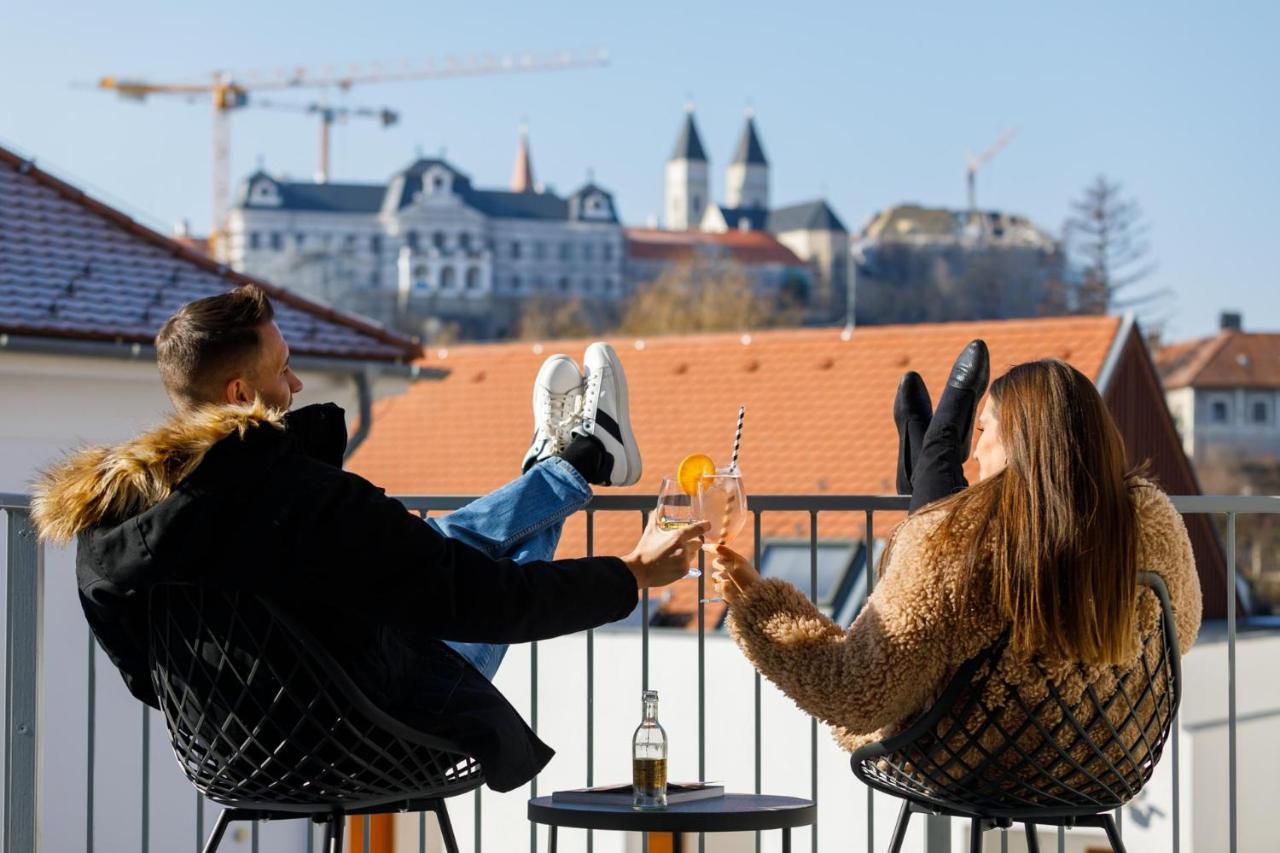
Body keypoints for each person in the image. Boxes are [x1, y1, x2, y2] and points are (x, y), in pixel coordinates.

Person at [32, 285, 707, 793]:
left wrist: (254, 675)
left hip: (227, 753)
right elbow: (491, 603)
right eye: (283, 370)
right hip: (368, 738)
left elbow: (147, 676)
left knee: (425, 545)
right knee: (447, 575)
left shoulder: (107, 527)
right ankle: (576, 463)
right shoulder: (310, 501)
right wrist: (633, 575)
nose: (295, 384)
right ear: (241, 392)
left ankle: (568, 462)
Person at [709, 346, 1201, 764]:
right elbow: (1187, 626)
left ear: (1020, 442)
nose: (977, 452)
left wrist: (756, 601)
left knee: (939, 528)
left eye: (983, 432)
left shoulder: (961, 544)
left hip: (972, 757)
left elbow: (854, 693)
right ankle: (927, 460)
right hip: (1104, 757)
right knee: (942, 523)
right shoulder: (1148, 521)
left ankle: (930, 460)